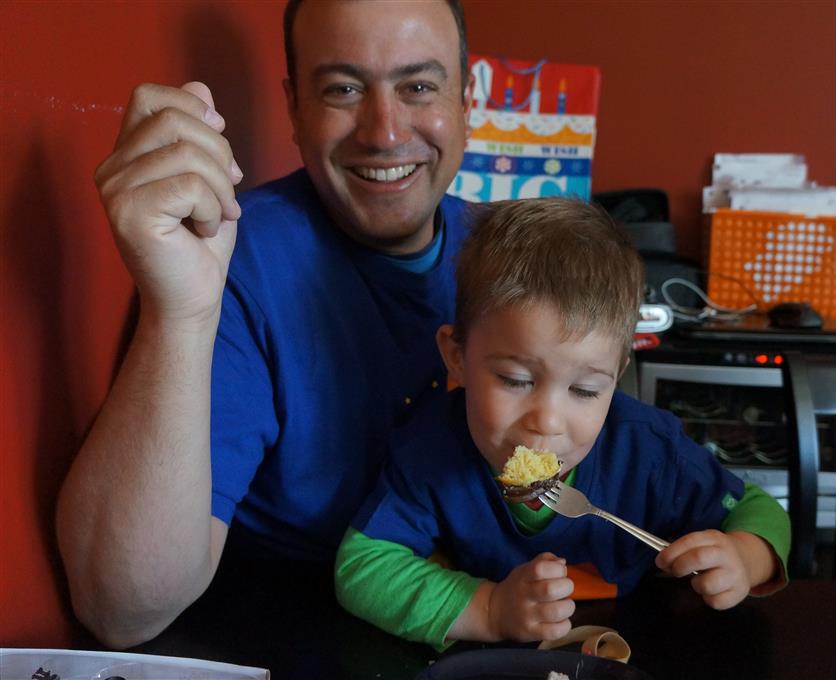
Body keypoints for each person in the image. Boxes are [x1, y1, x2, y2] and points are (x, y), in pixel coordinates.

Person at [56, 0, 474, 649]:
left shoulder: (509, 257)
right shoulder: (231, 257)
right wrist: (181, 311)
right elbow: (121, 610)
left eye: (418, 86)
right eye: (343, 89)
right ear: (295, 109)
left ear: (467, 101)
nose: (385, 132)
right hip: (301, 636)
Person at [335, 197, 791, 650]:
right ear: (457, 356)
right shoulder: (430, 450)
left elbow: (758, 509)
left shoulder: (647, 450)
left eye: (586, 390)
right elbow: (362, 566)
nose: (547, 421)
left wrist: (745, 556)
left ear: (616, 375)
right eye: (515, 380)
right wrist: (489, 609)